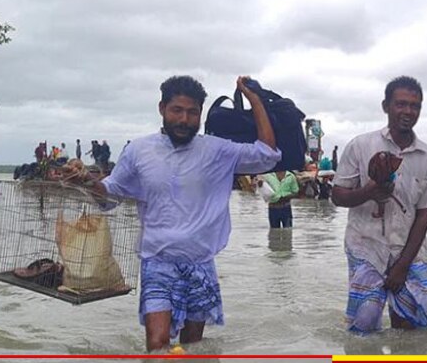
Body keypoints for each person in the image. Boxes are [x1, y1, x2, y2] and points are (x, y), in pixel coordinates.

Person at [62, 75, 280, 352]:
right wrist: (86, 182)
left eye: (192, 112)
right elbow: (111, 194)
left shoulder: (217, 150)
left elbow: (267, 154)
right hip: (157, 262)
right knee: (157, 345)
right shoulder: (139, 150)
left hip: (201, 263)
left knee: (192, 347)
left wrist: (255, 100)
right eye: (177, 110)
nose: (184, 119)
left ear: (200, 114)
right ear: (162, 108)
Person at [331, 76, 427, 334]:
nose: (408, 111)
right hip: (365, 246)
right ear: (386, 106)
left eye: (415, 106)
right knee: (365, 325)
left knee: (416, 324)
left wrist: (402, 266)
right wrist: (369, 191)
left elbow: (424, 215)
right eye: (401, 104)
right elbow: (337, 196)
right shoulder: (361, 146)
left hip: (408, 249)